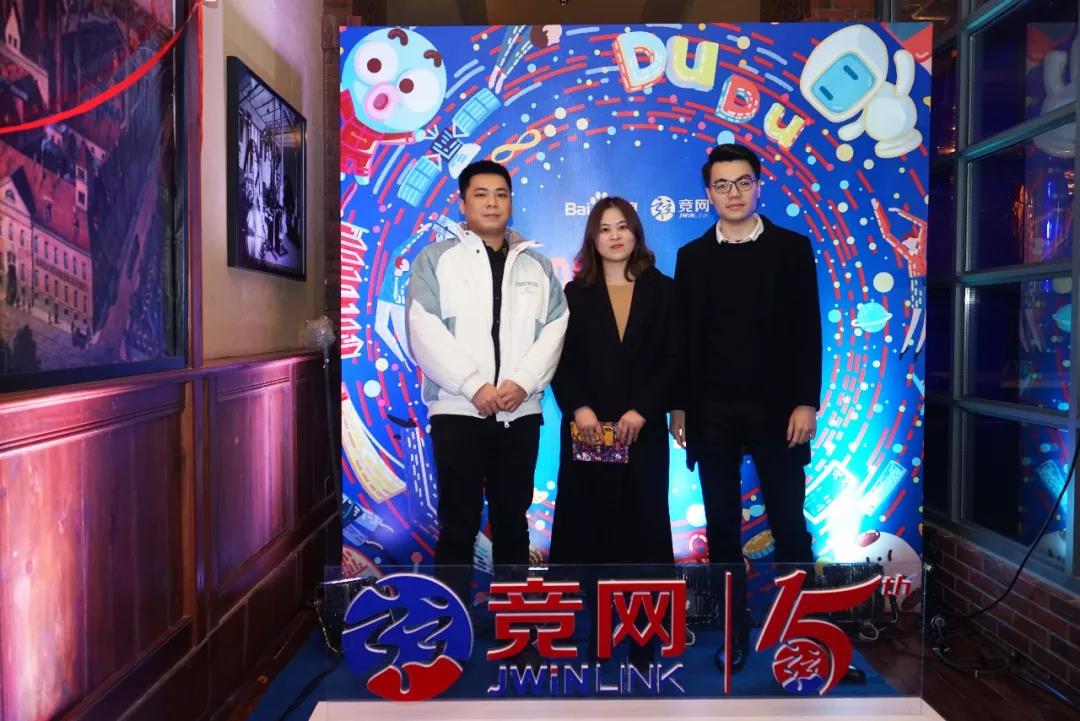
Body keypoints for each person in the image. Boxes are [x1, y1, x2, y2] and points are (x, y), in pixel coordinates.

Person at [669, 143, 822, 672]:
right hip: (711, 411)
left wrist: (806, 401)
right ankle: (732, 635)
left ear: (759, 186)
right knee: (722, 530)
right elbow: (684, 340)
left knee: (790, 525)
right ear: (708, 193)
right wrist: (679, 407)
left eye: (743, 182)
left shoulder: (791, 248)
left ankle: (802, 633)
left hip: (779, 410)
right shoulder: (691, 257)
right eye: (722, 185)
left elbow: (808, 331)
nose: (733, 193)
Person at [405, 159, 569, 593]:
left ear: (511, 202)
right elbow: (423, 326)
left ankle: (514, 618)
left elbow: (556, 327)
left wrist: (523, 382)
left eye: (500, 194)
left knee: (512, 522)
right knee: (458, 523)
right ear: (462, 203)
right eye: (481, 194)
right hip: (458, 411)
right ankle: (450, 621)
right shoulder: (435, 260)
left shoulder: (536, 266)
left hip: (520, 413)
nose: (492, 203)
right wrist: (472, 385)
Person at [550, 196, 677, 669]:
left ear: (636, 233)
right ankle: (599, 635)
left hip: (642, 433)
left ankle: (645, 639)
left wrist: (643, 410)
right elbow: (559, 361)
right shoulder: (575, 294)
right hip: (590, 432)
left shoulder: (663, 290)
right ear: (593, 238)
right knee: (592, 531)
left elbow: (676, 358)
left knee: (644, 532)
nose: (615, 236)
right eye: (605, 229)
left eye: (623, 226)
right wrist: (579, 409)